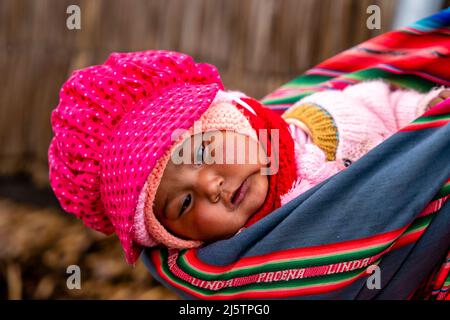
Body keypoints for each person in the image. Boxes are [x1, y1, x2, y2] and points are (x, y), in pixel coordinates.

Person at [48, 50, 448, 264]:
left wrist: (431, 111)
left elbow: (391, 108)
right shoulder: (251, 266)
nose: (209, 184)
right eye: (184, 202)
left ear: (233, 120)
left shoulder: (323, 117)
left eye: (202, 149)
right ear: (176, 238)